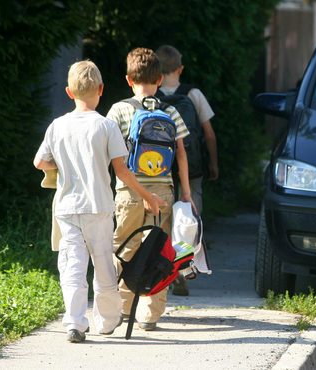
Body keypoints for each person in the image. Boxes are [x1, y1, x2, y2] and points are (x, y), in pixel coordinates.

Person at [34, 60, 167, 343]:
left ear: (69, 92)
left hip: (68, 208)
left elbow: (39, 161)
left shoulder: (57, 126)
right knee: (104, 264)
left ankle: (75, 323)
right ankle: (107, 323)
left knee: (72, 266)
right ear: (101, 89)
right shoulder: (106, 125)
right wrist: (148, 196)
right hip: (99, 207)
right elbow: (122, 171)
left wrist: (61, 166)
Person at [107, 48, 195, 331]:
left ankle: (119, 308)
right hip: (164, 192)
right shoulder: (170, 110)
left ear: (128, 79)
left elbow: (108, 152)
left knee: (124, 248)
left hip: (129, 192)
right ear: (159, 79)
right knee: (159, 251)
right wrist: (186, 193)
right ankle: (149, 315)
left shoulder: (119, 110)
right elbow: (181, 153)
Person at [156, 45, 218, 296]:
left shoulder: (152, 96)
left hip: (159, 170)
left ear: (156, 72)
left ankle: (165, 268)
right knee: (189, 219)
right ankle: (183, 268)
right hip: (191, 167)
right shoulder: (193, 94)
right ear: (180, 69)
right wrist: (212, 163)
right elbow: (209, 133)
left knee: (165, 219)